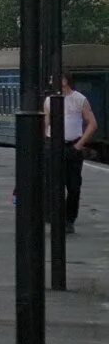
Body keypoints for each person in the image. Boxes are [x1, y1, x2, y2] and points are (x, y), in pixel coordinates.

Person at [57, 74, 98, 233]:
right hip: (55, 147)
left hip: (73, 146)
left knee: (74, 187)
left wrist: (79, 145)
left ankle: (69, 219)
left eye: (55, 79)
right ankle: (58, 218)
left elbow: (93, 124)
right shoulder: (49, 100)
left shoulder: (79, 99)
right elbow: (44, 124)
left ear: (65, 81)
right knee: (55, 186)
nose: (51, 82)